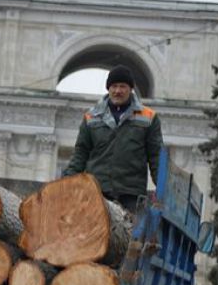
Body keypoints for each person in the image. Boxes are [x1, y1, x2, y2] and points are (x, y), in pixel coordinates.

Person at [64, 64, 164, 212]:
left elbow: (156, 157)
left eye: (122, 86)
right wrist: (65, 183)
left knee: (129, 233)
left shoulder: (149, 117)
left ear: (131, 89)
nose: (118, 91)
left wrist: (163, 190)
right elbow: (80, 154)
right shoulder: (91, 117)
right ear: (108, 89)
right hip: (97, 191)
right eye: (114, 86)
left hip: (131, 194)